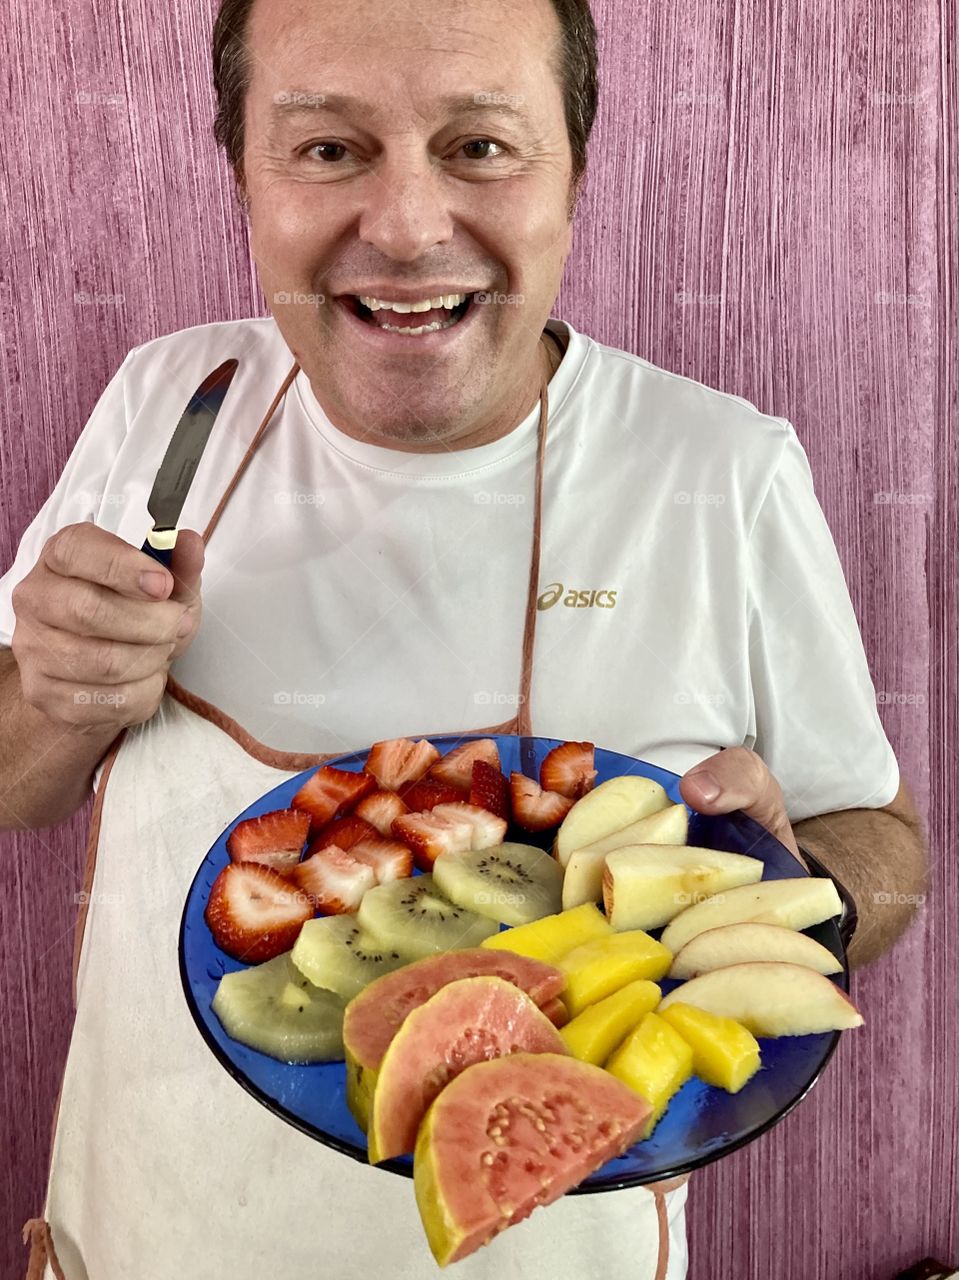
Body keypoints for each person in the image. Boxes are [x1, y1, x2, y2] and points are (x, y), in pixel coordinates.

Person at [1, 0, 928, 1276]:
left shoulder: (723, 470)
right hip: (142, 1231)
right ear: (243, 177)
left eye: (479, 146)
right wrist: (55, 694)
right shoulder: (173, 402)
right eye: (327, 149)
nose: (405, 226)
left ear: (573, 173)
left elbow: (877, 841)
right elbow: (18, 784)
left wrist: (775, 899)